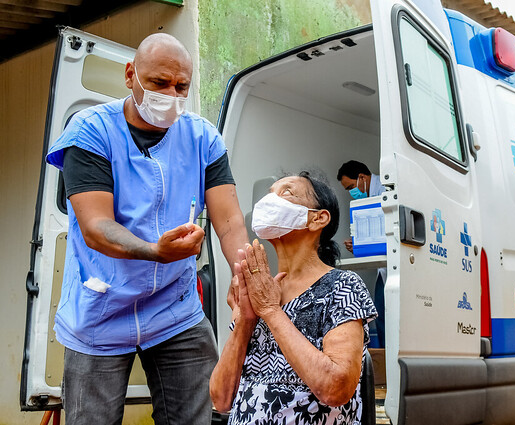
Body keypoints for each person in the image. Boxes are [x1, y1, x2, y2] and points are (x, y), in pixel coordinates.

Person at [45, 33, 248, 425]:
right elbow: (96, 227)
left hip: (176, 309)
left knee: (197, 418)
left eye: (182, 86)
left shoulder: (202, 137)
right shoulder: (91, 131)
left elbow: (230, 220)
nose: (171, 94)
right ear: (130, 75)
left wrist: (245, 274)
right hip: (101, 310)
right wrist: (156, 251)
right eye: (159, 83)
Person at [210, 172, 377, 425]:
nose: (270, 201)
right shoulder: (258, 291)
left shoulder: (342, 286)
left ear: (318, 219)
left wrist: (271, 311)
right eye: (269, 194)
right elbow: (220, 400)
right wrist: (245, 319)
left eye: (286, 192)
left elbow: (336, 388)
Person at [337, 160, 387, 347]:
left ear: (362, 177)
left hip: (393, 266)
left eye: (351, 187)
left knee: (385, 317)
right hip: (383, 269)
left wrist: (364, 244)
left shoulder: (385, 189)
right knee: (380, 316)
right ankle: (383, 360)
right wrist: (358, 245)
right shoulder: (369, 197)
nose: (352, 193)